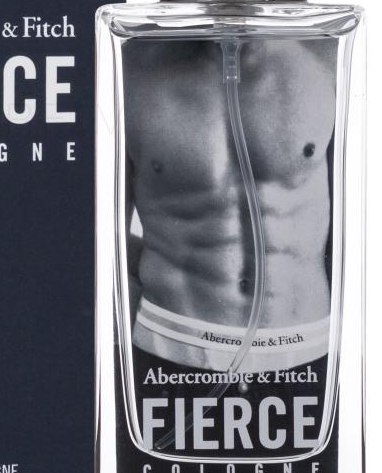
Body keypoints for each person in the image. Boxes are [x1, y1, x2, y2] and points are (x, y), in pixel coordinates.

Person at [123, 37, 335, 374]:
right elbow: (101, 236)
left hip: (302, 339)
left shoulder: (327, 56)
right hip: (173, 337)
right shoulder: (128, 68)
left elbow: (352, 227)